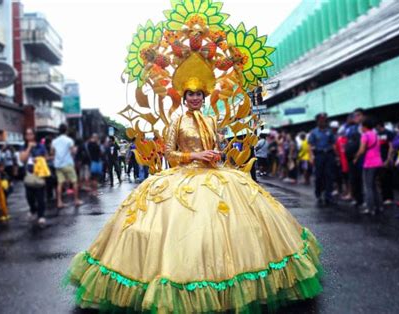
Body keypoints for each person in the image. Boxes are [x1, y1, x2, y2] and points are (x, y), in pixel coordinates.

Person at [65, 16, 323, 311]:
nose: (196, 99)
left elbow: (217, 148)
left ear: (204, 96)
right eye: (191, 95)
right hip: (183, 176)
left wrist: (217, 153)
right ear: (184, 97)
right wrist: (194, 157)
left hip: (216, 174)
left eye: (200, 94)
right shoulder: (176, 121)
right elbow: (169, 154)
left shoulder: (212, 119)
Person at [353, 117, 383, 215]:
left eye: (362, 126)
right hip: (378, 162)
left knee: (368, 186)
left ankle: (370, 208)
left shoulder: (365, 135)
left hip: (369, 163)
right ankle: (379, 206)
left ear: (364, 127)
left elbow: (362, 150)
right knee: (374, 186)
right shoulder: (375, 134)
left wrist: (356, 157)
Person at [20, 128, 49, 227]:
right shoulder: (23, 147)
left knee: (40, 197)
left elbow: (46, 158)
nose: (29, 136)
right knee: (29, 197)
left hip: (39, 174)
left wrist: (40, 160)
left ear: (34, 135)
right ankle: (33, 210)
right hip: (28, 175)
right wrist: (28, 148)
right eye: (27, 134)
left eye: (30, 134)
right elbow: (22, 159)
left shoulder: (41, 146)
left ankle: (41, 215)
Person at [51, 124, 83, 209]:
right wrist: (75, 150)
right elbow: (73, 152)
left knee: (60, 183)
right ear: (66, 130)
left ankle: (59, 202)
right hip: (68, 164)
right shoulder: (69, 140)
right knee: (74, 181)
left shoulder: (55, 141)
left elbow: (52, 152)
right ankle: (76, 200)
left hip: (58, 165)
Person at [308, 112, 336, 206]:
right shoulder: (314, 132)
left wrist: (337, 156)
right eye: (320, 120)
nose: (322, 121)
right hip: (319, 155)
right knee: (319, 176)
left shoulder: (330, 131)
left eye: (324, 120)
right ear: (317, 121)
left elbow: (333, 144)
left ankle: (329, 196)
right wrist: (311, 156)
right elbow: (310, 145)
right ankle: (318, 194)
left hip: (329, 155)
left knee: (329, 176)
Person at [345, 109, 365, 209]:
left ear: (363, 116)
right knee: (354, 179)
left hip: (361, 157)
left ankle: (364, 200)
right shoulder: (351, 128)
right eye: (354, 116)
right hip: (351, 158)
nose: (356, 117)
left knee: (363, 179)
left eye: (358, 115)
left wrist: (357, 156)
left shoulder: (365, 128)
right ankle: (357, 199)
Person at [376, 121, 395, 205]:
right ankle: (384, 197)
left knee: (388, 179)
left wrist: (389, 159)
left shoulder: (389, 133)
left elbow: (391, 146)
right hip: (378, 159)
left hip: (386, 159)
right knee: (381, 179)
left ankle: (389, 198)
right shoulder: (377, 134)